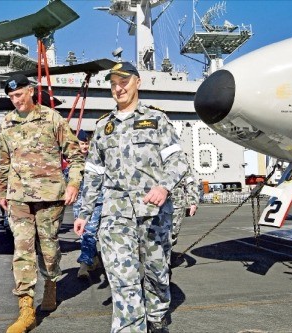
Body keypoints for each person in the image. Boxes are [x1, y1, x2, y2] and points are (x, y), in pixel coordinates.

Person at [73, 62, 188, 333]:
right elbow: (93, 174)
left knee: (156, 273)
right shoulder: (103, 127)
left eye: (123, 81)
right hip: (115, 214)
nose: (118, 87)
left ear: (138, 82)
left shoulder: (157, 120)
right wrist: (84, 213)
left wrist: (164, 186)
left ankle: (158, 316)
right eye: (113, 83)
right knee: (122, 279)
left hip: (153, 213)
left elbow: (178, 161)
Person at [0, 74, 84, 333]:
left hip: (50, 196)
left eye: (19, 95)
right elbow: (3, 161)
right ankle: (26, 310)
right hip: (18, 197)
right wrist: (2, 191)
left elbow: (75, 154)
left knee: (48, 249)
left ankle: (51, 284)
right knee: (22, 248)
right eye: (11, 97)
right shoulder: (8, 122)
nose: (16, 101)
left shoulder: (52, 119)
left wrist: (74, 184)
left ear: (31, 92)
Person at [72, 129, 103, 279]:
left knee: (89, 232)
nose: (84, 146)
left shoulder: (95, 159)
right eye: (82, 143)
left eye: (86, 143)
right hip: (78, 203)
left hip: (96, 202)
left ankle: (83, 265)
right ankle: (94, 259)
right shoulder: (72, 160)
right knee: (85, 234)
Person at [170, 161, 199, 247]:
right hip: (151, 204)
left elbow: (190, 181)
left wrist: (193, 202)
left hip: (175, 204)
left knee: (172, 234)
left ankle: (168, 257)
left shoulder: (177, 159)